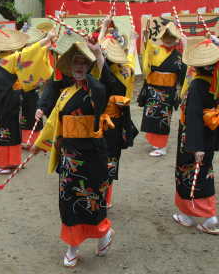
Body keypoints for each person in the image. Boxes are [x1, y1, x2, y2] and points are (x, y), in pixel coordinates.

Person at [31, 41, 114, 267]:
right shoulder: (66, 91)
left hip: (92, 155)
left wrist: (98, 55)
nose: (79, 67)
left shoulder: (96, 89)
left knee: (92, 200)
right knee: (68, 202)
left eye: (83, 63)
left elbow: (113, 89)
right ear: (70, 66)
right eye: (75, 62)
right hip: (69, 158)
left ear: (89, 66)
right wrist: (42, 143)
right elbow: (54, 124)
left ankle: (104, 232)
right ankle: (73, 246)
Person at [0, 28, 55, 174]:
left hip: (7, 102)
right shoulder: (8, 59)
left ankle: (11, 162)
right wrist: (46, 40)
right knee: (5, 133)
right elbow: (28, 53)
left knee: (13, 132)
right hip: (5, 104)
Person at [173, 37, 219, 234]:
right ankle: (200, 214)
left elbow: (192, 116)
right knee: (203, 172)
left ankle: (205, 217)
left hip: (193, 138)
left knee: (190, 174)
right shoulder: (215, 81)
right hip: (208, 134)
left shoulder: (198, 85)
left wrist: (195, 145)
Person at [94, 18, 139, 208]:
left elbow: (98, 59)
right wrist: (133, 39)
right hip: (117, 123)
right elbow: (130, 54)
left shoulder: (108, 76)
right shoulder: (127, 69)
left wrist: (104, 28)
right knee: (111, 159)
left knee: (101, 159)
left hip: (105, 124)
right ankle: (106, 198)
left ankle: (100, 198)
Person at [139, 22, 186, 157]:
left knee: (163, 118)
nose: (168, 39)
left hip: (168, 92)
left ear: (176, 39)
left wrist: (181, 92)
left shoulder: (179, 55)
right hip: (153, 89)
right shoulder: (155, 49)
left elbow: (183, 75)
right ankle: (155, 143)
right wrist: (146, 39)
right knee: (151, 116)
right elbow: (147, 61)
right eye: (166, 36)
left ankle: (162, 147)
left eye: (171, 36)